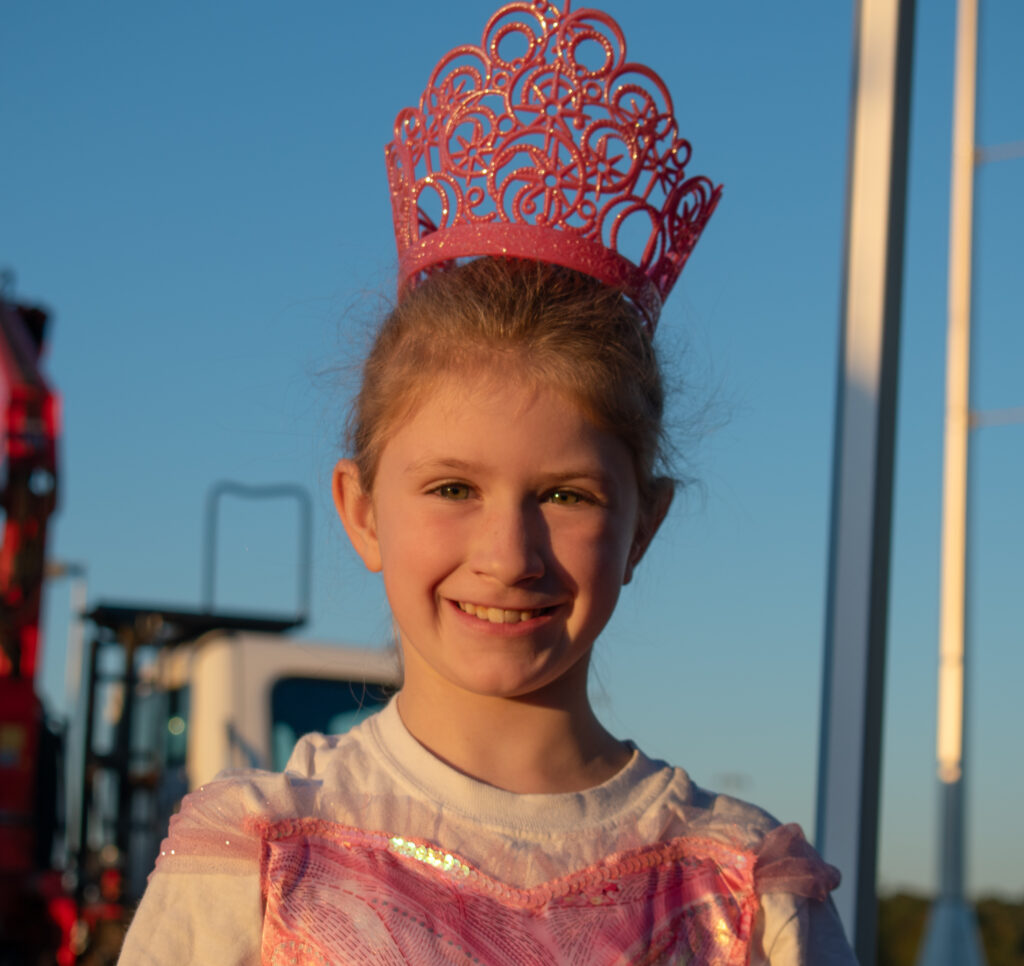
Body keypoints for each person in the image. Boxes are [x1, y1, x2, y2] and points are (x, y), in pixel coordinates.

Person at [119, 3, 857, 963]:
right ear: (360, 508)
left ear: (645, 525)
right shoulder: (253, 860)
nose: (508, 556)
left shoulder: (746, 894)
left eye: (567, 495)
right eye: (452, 489)